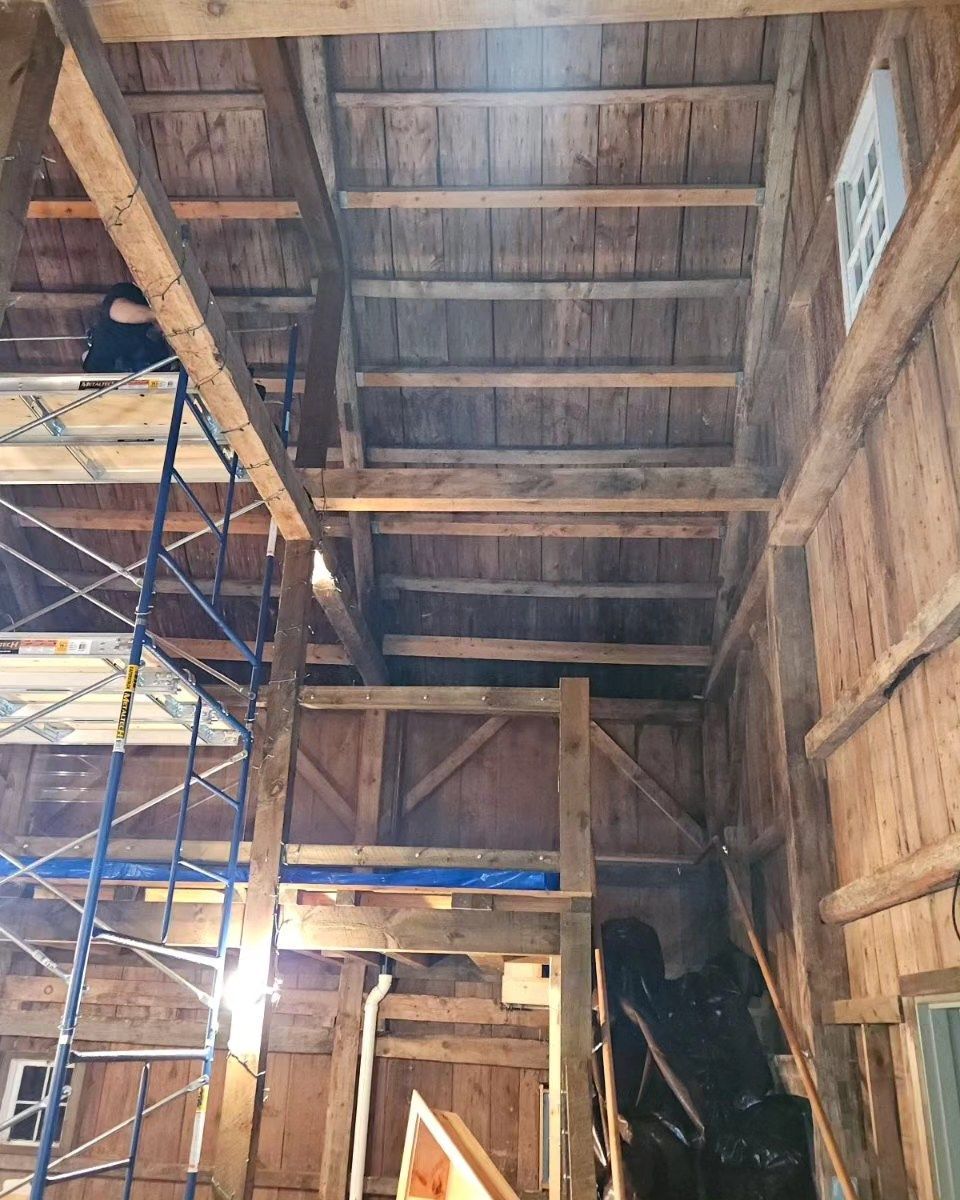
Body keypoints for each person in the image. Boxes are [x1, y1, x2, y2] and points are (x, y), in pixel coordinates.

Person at [82, 283, 176, 374]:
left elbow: (118, 311)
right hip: (112, 374)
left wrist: (164, 319)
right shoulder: (129, 293)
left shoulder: (158, 345)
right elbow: (119, 310)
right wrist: (164, 317)